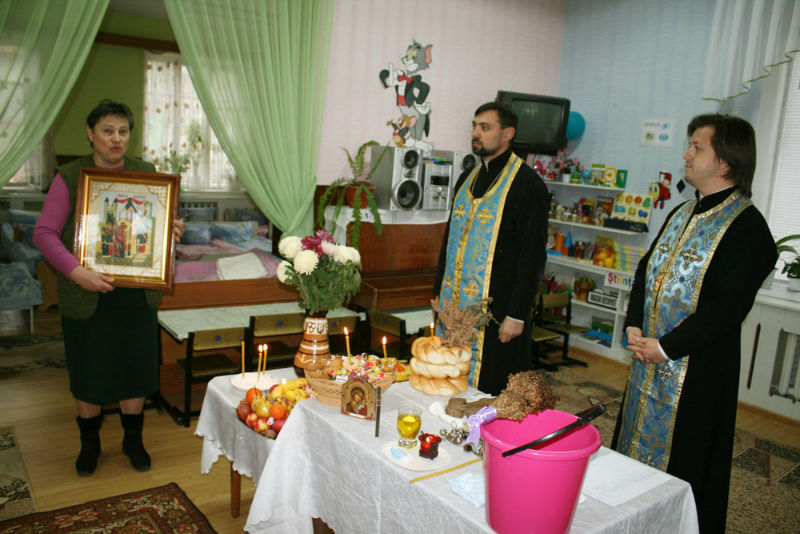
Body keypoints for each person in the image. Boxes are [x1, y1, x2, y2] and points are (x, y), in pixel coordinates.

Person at [612, 113, 777, 533]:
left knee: (686, 465)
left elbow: (727, 308)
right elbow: (646, 272)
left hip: (697, 373)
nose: (686, 154)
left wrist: (667, 347)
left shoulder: (748, 228)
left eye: (697, 147)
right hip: (648, 361)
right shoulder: (683, 212)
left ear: (725, 161)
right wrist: (634, 324)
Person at [33, 99, 184, 476]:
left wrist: (170, 231)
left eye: (123, 131)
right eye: (107, 131)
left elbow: (153, 225)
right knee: (89, 370)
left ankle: (133, 439)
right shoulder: (70, 175)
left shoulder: (146, 173)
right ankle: (90, 443)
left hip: (136, 292)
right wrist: (76, 272)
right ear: (90, 134)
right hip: (86, 293)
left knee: (135, 368)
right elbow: (45, 233)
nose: (116, 139)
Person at [434, 102, 548, 395]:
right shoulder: (467, 178)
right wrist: (437, 296)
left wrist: (517, 314)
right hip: (454, 306)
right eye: (474, 126)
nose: (476, 133)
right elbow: (450, 241)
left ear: (508, 133)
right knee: (446, 378)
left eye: (485, 127)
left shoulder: (527, 184)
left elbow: (533, 256)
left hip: (498, 311)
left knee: (490, 393)